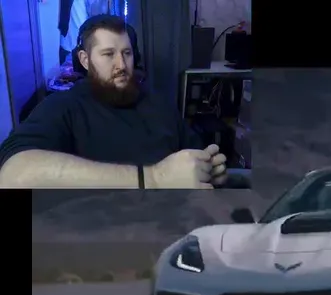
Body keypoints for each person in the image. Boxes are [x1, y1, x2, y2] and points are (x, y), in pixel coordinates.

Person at [0, 14, 227, 189]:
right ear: (85, 60)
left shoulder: (159, 104)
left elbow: (193, 158)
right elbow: (12, 175)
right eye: (108, 54)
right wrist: (154, 178)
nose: (121, 64)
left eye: (126, 53)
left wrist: (208, 170)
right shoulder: (62, 107)